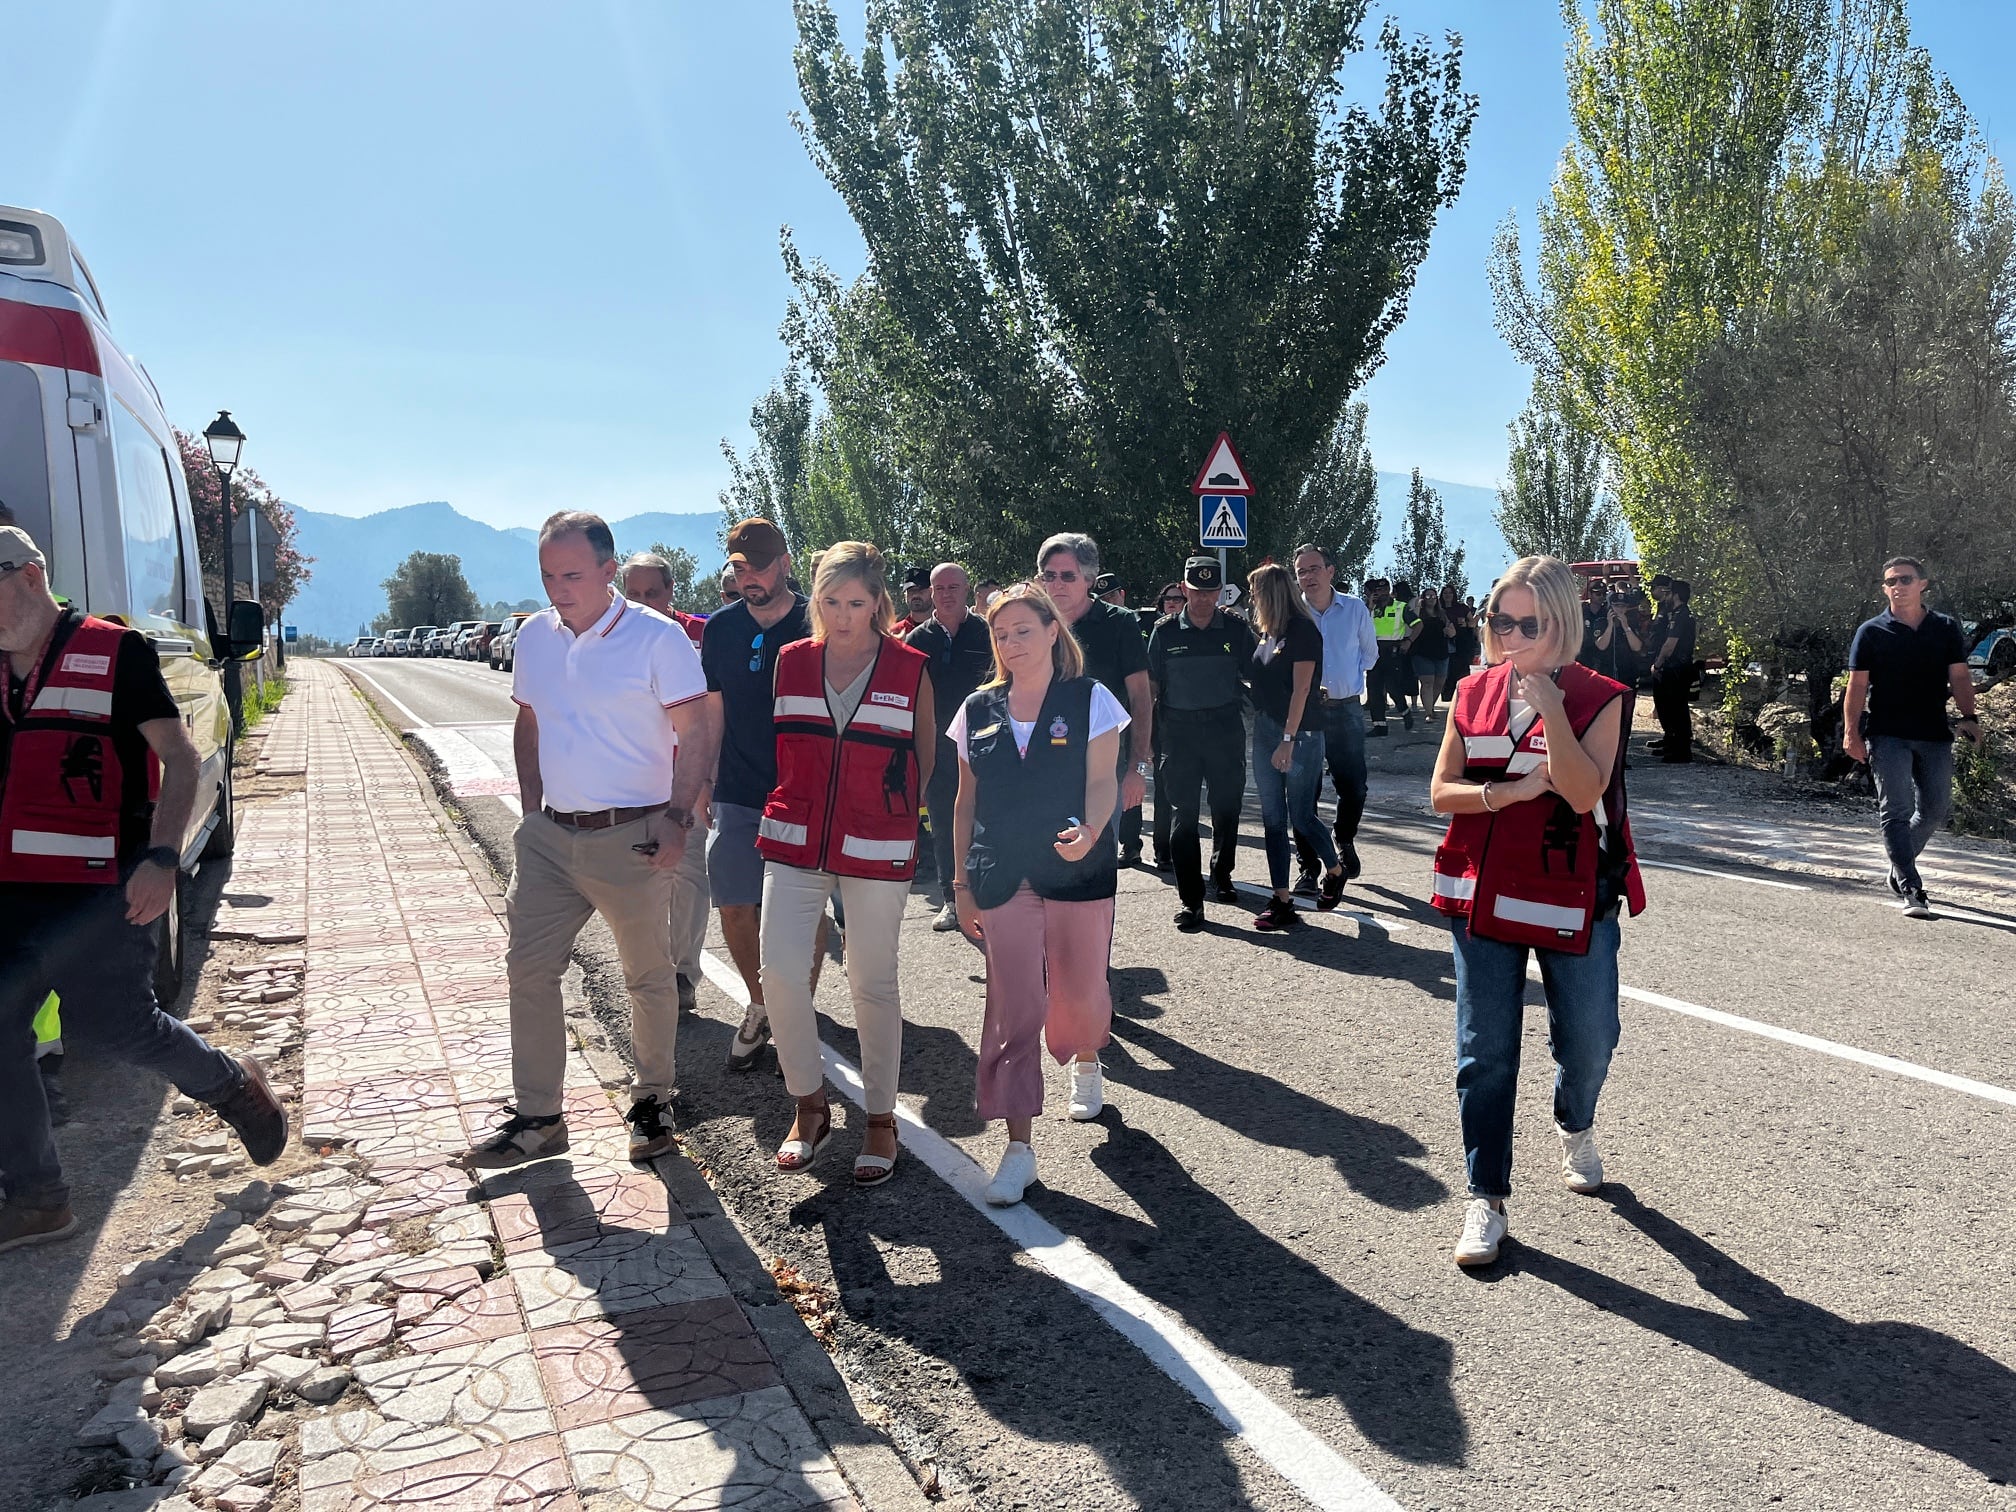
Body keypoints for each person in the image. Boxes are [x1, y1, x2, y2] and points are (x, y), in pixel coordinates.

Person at [0, 525, 287, 1251]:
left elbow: (181, 759)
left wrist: (163, 856)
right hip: (10, 892)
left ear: (30, 578)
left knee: (114, 1027)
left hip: (100, 891)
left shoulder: (114, 651)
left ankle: (230, 1085)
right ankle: (38, 1199)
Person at [467, 512, 721, 1169]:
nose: (558, 588)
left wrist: (677, 819)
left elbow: (694, 732)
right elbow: (529, 721)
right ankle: (539, 1116)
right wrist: (529, 813)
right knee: (528, 967)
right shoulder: (534, 639)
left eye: (572, 575)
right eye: (548, 575)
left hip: (634, 834)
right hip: (553, 836)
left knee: (646, 976)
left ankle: (653, 1103)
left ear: (609, 572)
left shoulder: (657, 639)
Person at [1428, 555, 1648, 1268]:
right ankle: (1484, 1198)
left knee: (1590, 1041)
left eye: (1529, 622)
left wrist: (1550, 703)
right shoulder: (1472, 691)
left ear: (1561, 622)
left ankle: (1574, 1120)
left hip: (1571, 893)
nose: (1512, 633)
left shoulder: (1602, 695)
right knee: (1484, 1052)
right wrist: (1504, 794)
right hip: (1481, 892)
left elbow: (1584, 793)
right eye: (1501, 620)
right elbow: (1442, 792)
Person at [757, 544, 934, 1186]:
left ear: (877, 603)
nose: (842, 615)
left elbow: (924, 757)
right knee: (777, 969)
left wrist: (894, 814)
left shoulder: (911, 666)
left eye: (856, 603)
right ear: (816, 599)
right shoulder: (790, 661)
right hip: (796, 837)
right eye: (830, 602)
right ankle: (809, 1105)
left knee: (871, 982)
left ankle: (880, 1121)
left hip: (876, 844)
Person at [949, 583, 1126, 1206]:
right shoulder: (976, 710)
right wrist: (960, 884)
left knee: (1079, 996)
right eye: (1001, 634)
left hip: (1078, 871)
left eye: (1023, 630)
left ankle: (1085, 1057)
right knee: (1014, 1006)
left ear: (1054, 631)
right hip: (1000, 875)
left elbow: (1103, 782)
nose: (1011, 643)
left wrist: (1094, 830)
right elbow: (964, 802)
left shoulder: (1090, 701)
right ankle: (1018, 1148)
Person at [702, 519, 815, 1071]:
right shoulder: (720, 629)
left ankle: (799, 1009)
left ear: (785, 564)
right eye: (739, 567)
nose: (748, 576)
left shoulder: (818, 620)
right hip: (738, 791)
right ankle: (762, 1003)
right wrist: (702, 781)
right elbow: (713, 711)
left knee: (805, 912)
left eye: (759, 565)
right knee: (734, 903)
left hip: (808, 793)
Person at [1843, 556, 1981, 920]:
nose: (1898, 586)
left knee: (1935, 809)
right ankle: (1911, 887)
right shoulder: (1871, 631)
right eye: (1891, 581)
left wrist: (1970, 718)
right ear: (1884, 588)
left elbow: (1961, 678)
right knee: (1897, 809)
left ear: (1923, 584)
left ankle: (1899, 863)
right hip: (1887, 733)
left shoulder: (1945, 628)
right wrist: (1850, 732)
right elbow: (1856, 687)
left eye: (1905, 579)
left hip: (1934, 732)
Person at [622, 553, 711, 1012]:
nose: (642, 603)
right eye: (632, 594)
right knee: (645, 879)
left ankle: (683, 973)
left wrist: (708, 779)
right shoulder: (613, 639)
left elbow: (713, 710)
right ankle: (653, 971)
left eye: (651, 593)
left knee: (690, 876)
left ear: (671, 591)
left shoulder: (699, 633)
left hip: (688, 778)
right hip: (635, 782)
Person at [1146, 557, 1254, 931]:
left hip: (1224, 730)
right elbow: (1151, 687)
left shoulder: (1236, 630)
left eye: (1210, 591)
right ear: (1184, 588)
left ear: (1219, 591)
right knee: (1183, 818)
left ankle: (1221, 875)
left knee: (1226, 808)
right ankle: (1191, 900)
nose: (1204, 598)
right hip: (1179, 734)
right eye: (1197, 590)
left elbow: (1260, 673)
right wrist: (1146, 738)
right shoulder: (1165, 632)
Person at [1039, 534, 1153, 867]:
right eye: (1049, 575)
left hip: (1103, 771)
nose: (1057, 584)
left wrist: (1137, 768)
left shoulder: (1120, 624)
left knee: (1094, 868)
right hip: (1041, 767)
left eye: (1067, 576)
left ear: (1089, 579)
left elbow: (1141, 700)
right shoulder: (1031, 623)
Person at [1245, 563, 1345, 928]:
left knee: (1300, 815)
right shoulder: (1267, 633)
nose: (1252, 598)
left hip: (1299, 735)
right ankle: (1281, 899)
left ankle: (1334, 870)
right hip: (1267, 730)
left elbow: (1302, 690)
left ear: (1270, 593)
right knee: (1273, 819)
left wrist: (1287, 739)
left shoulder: (1302, 630)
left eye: (1255, 591)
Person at [906, 562, 994, 930]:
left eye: (953, 587)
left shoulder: (988, 633)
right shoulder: (917, 642)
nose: (945, 594)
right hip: (939, 751)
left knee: (988, 823)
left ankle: (991, 898)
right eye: (938, 588)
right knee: (944, 824)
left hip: (988, 747)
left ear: (966, 588)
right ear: (929, 591)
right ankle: (951, 900)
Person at [1292, 545, 1377, 891]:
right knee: (1302, 792)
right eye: (1301, 572)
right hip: (1305, 710)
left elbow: (1369, 655)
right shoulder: (1293, 612)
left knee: (1354, 787)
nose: (1308, 577)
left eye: (1314, 569)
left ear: (1330, 571)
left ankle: (1344, 839)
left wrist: (1342, 682)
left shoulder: (1354, 608)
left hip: (1345, 708)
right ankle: (1309, 866)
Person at [1647, 576, 1698, 763]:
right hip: (1673, 667)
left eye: (1669, 593)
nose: (1666, 596)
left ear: (1675, 595)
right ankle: (1672, 743)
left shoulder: (1681, 615)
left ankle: (1682, 750)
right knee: (1669, 708)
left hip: (1678, 667)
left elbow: (1670, 645)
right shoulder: (1675, 613)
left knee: (1678, 710)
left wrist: (1658, 663)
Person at [1366, 578, 1407, 735]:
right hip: (1374, 651)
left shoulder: (1399, 607)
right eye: (1378, 590)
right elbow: (1362, 626)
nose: (1381, 593)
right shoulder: (1370, 609)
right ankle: (1379, 726)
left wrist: (1408, 641)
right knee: (1374, 689)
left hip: (1392, 651)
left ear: (1389, 590)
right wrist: (1370, 606)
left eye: (1384, 590)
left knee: (1393, 687)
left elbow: (1418, 625)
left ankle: (1404, 710)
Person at [1409, 586, 1451, 717]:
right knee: (1427, 682)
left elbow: (1451, 630)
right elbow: (1412, 625)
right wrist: (1416, 606)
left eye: (1433, 596)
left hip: (1441, 652)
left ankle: (1430, 707)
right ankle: (1428, 713)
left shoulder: (1442, 614)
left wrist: (1450, 632)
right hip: (1422, 652)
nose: (1431, 599)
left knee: (1439, 683)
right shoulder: (1418, 612)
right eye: (1428, 596)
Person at [1442, 584, 1478, 704]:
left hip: (1462, 641)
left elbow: (1472, 622)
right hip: (1443, 641)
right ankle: (1448, 697)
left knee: (1462, 669)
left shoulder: (1461, 607)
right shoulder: (1439, 608)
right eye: (1445, 593)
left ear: (1454, 594)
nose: (1447, 595)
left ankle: (1464, 697)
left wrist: (1466, 624)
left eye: (1450, 593)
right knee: (1447, 670)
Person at [893, 566, 933, 636]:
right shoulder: (895, 632)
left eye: (921, 590)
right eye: (911, 591)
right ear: (905, 595)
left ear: (932, 592)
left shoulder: (946, 628)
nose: (915, 595)